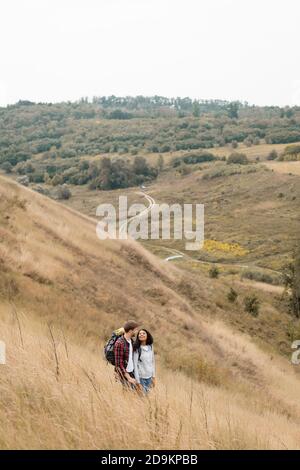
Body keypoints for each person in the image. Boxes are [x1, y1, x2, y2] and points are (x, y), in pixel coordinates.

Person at [114, 320, 139, 389]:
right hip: (124, 375)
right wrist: (129, 378)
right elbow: (119, 364)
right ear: (131, 331)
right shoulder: (120, 343)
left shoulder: (131, 341)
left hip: (131, 372)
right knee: (127, 394)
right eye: (136, 330)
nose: (137, 332)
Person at [133, 329, 156, 394]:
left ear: (147, 336)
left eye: (143, 333)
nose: (141, 334)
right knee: (141, 397)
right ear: (138, 336)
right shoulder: (137, 348)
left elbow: (153, 362)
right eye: (140, 334)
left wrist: (153, 377)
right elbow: (135, 365)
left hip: (149, 377)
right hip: (141, 378)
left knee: (147, 397)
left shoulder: (150, 346)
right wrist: (138, 382)